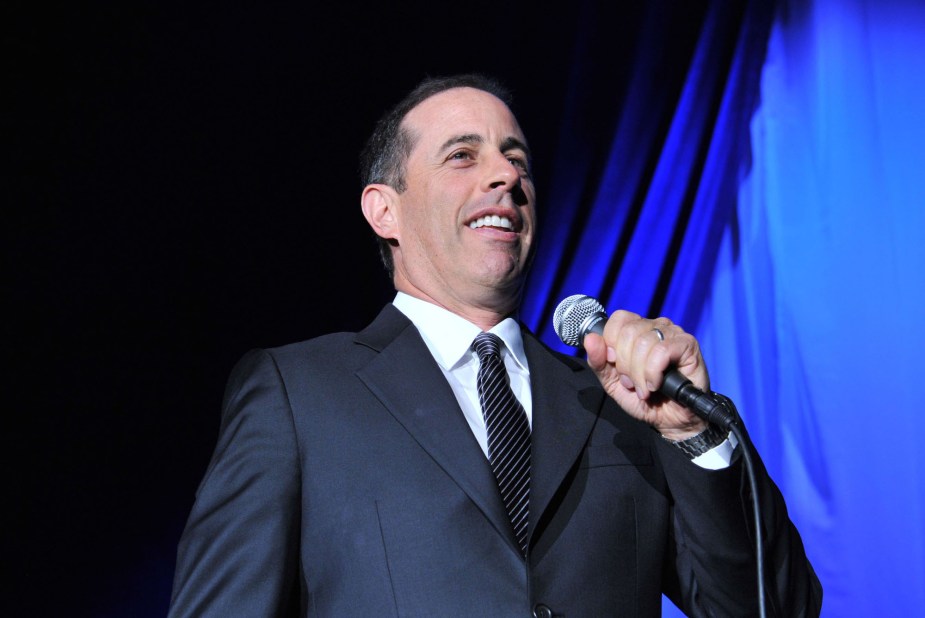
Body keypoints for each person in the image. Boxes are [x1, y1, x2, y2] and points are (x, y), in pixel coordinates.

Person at [168, 73, 822, 617]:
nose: (506, 175)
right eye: (463, 155)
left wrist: (692, 434)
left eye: (517, 160)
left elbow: (777, 607)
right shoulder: (298, 393)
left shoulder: (622, 399)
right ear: (384, 210)